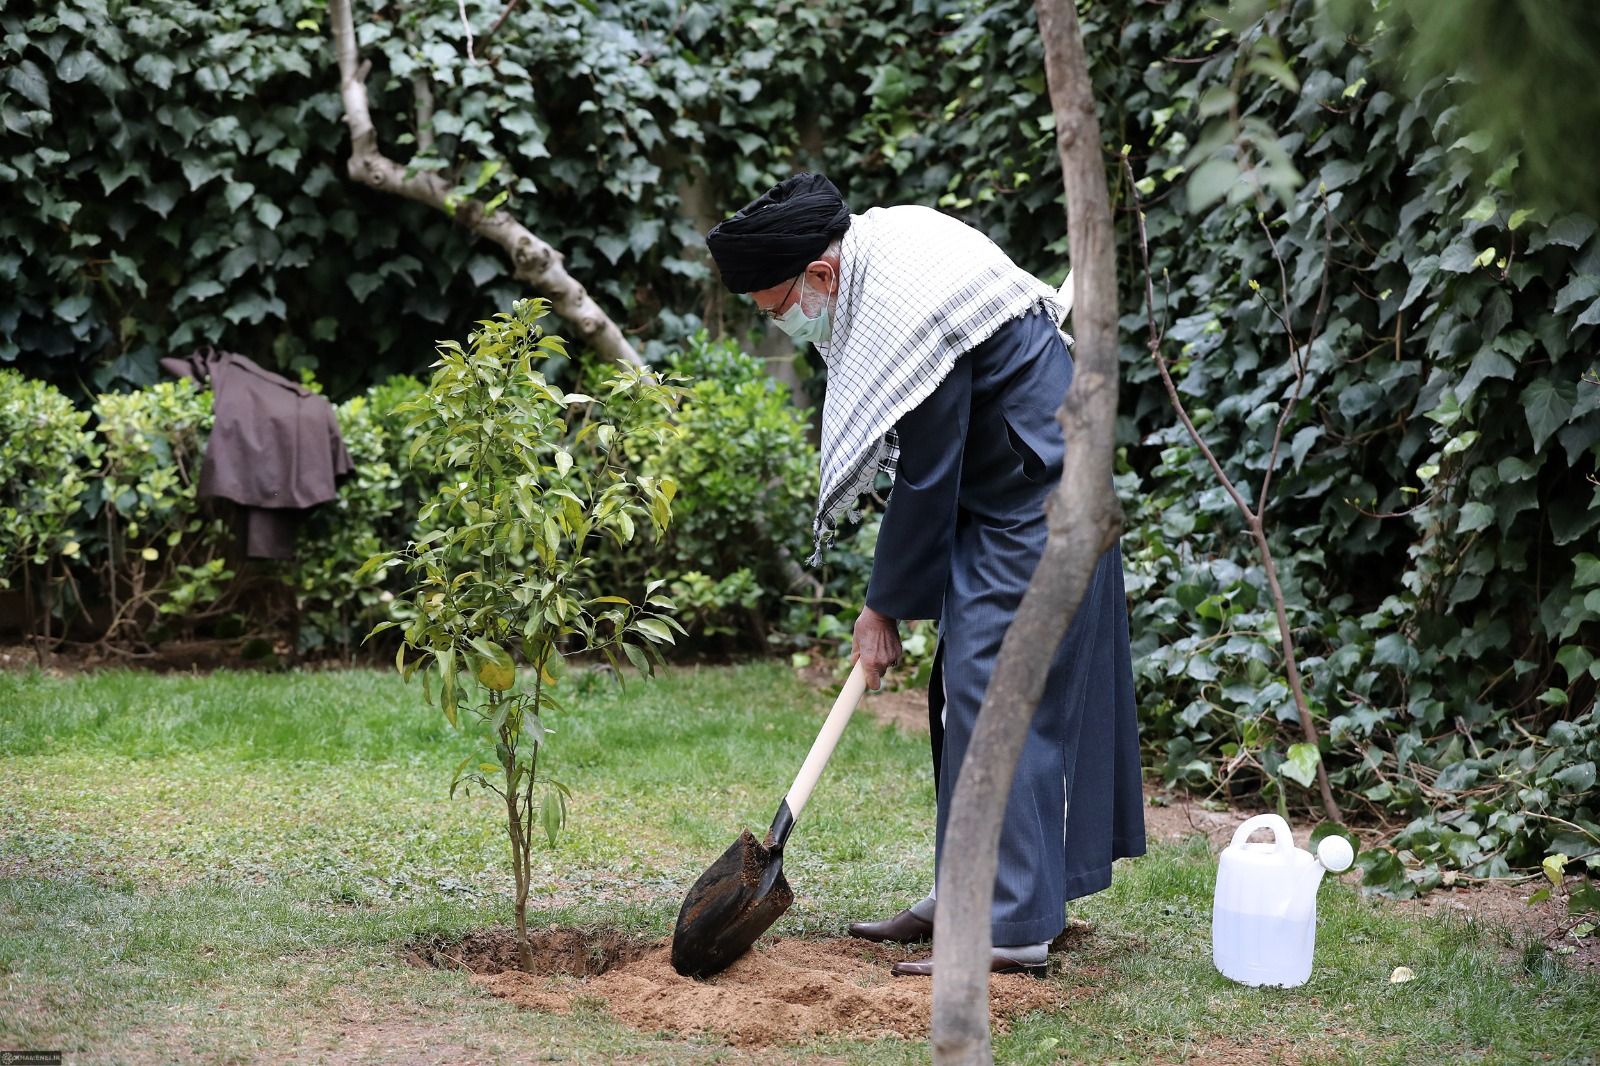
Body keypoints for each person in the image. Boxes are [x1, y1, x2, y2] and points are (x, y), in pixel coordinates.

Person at [705, 173, 1145, 977]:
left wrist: (883, 609)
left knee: (997, 688)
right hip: (1006, 486)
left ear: (821, 275)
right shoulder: (880, 252)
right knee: (960, 695)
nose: (787, 323)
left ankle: (1005, 927)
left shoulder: (905, 298)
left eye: (778, 309)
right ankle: (968, 888)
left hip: (1041, 490)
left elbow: (928, 471)